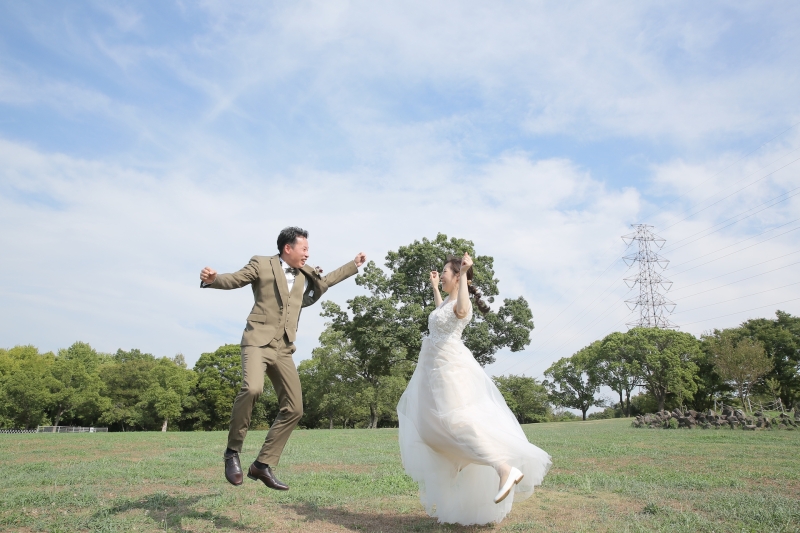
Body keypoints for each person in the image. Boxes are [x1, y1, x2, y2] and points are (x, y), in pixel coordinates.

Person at [200, 226, 366, 490]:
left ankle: (262, 464)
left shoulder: (305, 273)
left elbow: (326, 281)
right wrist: (213, 279)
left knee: (295, 408)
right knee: (253, 388)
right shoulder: (261, 264)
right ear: (287, 248)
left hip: (284, 347)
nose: (307, 254)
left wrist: (352, 265)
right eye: (304, 248)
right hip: (257, 341)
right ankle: (232, 452)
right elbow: (235, 279)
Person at [397, 252, 551, 525]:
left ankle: (504, 468)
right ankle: (461, 457)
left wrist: (466, 271)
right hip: (433, 370)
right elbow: (440, 315)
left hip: (449, 369)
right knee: (430, 426)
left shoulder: (460, 301)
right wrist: (434, 288)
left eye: (445, 272)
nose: (441, 275)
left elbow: (460, 313)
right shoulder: (446, 300)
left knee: (456, 421)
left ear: (458, 277)